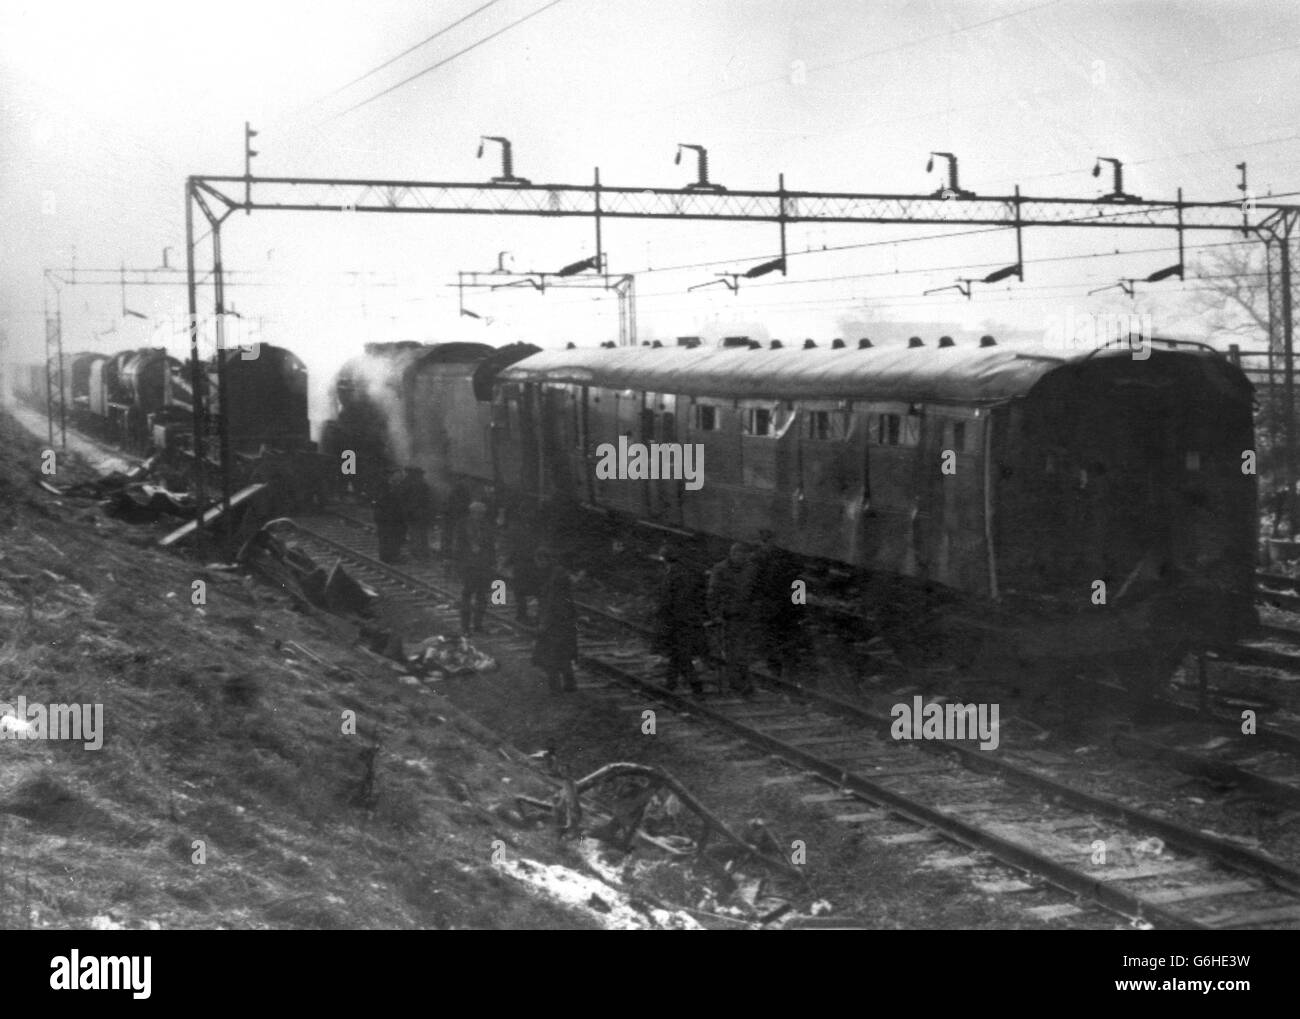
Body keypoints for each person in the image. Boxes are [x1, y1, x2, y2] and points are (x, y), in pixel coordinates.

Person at [752, 529, 806, 685]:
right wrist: (799, 606)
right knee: (787, 643)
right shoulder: (790, 558)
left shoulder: (758, 559)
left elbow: (753, 585)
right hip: (787, 608)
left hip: (769, 608)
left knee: (770, 641)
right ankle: (788, 676)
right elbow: (799, 583)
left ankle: (776, 674)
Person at [654, 544, 707, 694]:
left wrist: (660, 617)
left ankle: (696, 686)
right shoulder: (687, 572)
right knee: (677, 654)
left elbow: (666, 600)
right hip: (689, 619)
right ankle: (670, 683)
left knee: (681, 654)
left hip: (677, 621)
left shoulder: (671, 575)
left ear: (665, 560)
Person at [707, 543, 758, 696]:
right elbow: (712, 594)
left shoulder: (751, 569)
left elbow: (755, 591)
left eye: (743, 555)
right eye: (738, 555)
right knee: (733, 651)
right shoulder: (720, 569)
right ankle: (739, 684)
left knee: (741, 651)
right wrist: (715, 614)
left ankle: (741, 683)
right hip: (728, 616)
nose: (740, 558)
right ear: (732, 554)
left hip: (745, 614)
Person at [533, 547, 578, 693]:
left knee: (550, 655)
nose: (537, 564)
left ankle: (555, 687)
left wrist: (543, 623)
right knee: (563, 653)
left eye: (538, 561)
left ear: (544, 560)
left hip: (555, 621)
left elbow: (550, 602)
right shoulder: (558, 573)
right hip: (565, 620)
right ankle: (570, 684)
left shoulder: (553, 577)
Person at [457, 501, 495, 634]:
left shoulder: (487, 526)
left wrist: (492, 563)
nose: (479, 516)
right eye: (476, 513)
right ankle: (465, 627)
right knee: (467, 595)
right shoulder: (463, 525)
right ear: (471, 512)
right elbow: (458, 546)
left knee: (482, 597)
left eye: (481, 513)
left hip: (483, 566)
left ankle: (478, 625)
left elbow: (491, 546)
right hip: (469, 566)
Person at [503, 496, 542, 622]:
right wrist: (507, 561)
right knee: (522, 590)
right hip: (523, 562)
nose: (531, 515)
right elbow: (513, 547)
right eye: (530, 512)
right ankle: (523, 615)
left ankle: (534, 615)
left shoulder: (531, 526)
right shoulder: (519, 527)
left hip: (530, 562)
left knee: (533, 590)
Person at [400, 467, 435, 561]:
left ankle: (416, 553)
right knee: (423, 533)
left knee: (414, 533)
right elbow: (428, 499)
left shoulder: (406, 483)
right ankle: (425, 553)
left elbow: (402, 498)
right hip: (423, 513)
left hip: (412, 513)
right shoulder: (424, 484)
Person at [371, 469, 406, 563]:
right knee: (386, 536)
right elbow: (381, 500)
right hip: (385, 516)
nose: (400, 476)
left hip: (391, 516)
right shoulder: (384, 486)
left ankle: (391, 556)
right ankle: (388, 557)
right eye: (397, 474)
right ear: (391, 475)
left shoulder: (395, 486)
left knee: (392, 536)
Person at [443, 478, 472, 557]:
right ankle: (457, 552)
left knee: (449, 534)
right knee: (458, 534)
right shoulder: (465, 490)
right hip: (459, 515)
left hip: (453, 515)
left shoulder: (453, 490)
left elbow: (449, 503)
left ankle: (449, 552)